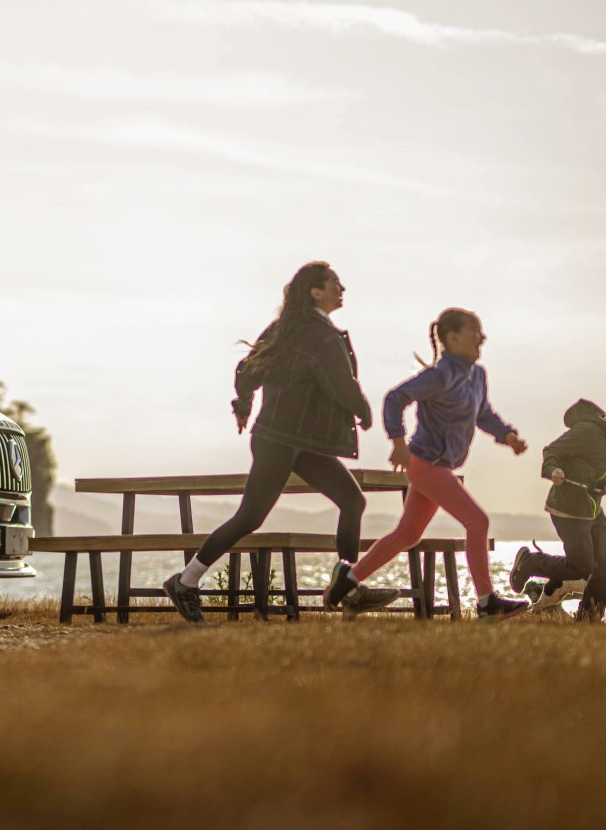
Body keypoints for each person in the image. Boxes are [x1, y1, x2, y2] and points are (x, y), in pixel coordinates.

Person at [162, 262, 399, 623]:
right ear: (315, 292)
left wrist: (244, 403)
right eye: (335, 283)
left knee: (352, 500)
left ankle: (348, 586)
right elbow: (341, 382)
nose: (342, 289)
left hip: (296, 441)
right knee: (250, 516)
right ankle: (185, 581)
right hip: (280, 441)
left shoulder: (285, 329)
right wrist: (364, 411)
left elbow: (247, 370)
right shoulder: (318, 335)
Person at [324, 308, 533, 620]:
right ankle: (487, 602)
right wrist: (398, 442)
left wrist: (507, 435)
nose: (482, 338)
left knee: (408, 534)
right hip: (425, 463)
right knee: (477, 521)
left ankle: (348, 580)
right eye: (475, 333)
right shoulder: (439, 375)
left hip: (441, 465)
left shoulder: (477, 376)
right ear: (453, 338)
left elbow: (483, 414)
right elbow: (395, 398)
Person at [507, 386, 606, 622]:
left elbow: (594, 471)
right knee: (582, 566)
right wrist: (552, 470)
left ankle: (589, 619)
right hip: (568, 509)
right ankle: (530, 562)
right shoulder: (588, 431)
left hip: (592, 509)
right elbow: (552, 450)